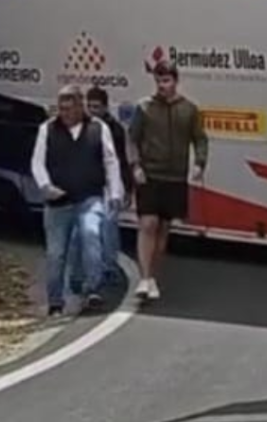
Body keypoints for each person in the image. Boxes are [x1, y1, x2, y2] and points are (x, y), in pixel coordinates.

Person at [31, 85, 124, 316]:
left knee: (90, 234)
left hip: (89, 197)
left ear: (80, 107)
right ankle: (55, 301)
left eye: (69, 109)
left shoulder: (98, 128)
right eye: (61, 109)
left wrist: (115, 192)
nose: (65, 114)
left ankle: (93, 289)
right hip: (58, 202)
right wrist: (45, 186)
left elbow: (110, 161)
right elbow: (37, 162)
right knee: (56, 254)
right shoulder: (47, 129)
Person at [127, 61, 207, 301]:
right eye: (158, 81)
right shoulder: (144, 107)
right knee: (148, 223)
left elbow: (200, 139)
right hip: (150, 175)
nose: (162, 86)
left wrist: (199, 163)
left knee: (163, 230)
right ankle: (144, 278)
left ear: (175, 81)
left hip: (175, 177)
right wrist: (135, 165)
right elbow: (132, 139)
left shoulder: (189, 110)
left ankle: (152, 276)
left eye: (166, 81)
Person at [66, 87, 131, 291]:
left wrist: (126, 188)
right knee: (80, 231)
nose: (93, 110)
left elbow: (120, 160)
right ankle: (78, 274)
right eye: (90, 106)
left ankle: (109, 268)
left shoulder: (115, 130)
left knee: (108, 228)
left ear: (105, 107)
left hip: (109, 184)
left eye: (97, 107)